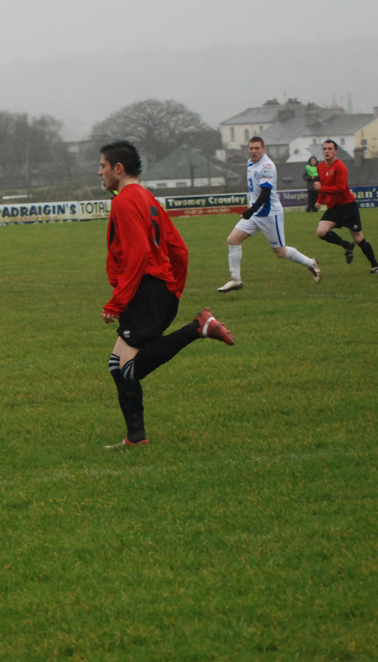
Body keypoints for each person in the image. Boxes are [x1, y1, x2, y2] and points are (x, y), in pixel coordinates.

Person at [98, 140, 234, 450]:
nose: (100, 171)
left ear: (118, 169)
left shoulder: (123, 201)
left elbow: (138, 253)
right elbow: (179, 249)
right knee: (116, 367)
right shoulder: (147, 197)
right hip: (158, 290)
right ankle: (136, 438)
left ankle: (198, 328)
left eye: (103, 166)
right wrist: (173, 288)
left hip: (146, 292)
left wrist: (117, 301)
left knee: (127, 369)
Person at [217, 137, 320, 293]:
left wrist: (250, 210)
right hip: (255, 212)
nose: (254, 151)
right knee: (233, 240)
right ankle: (235, 279)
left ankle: (310, 263)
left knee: (280, 252)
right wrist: (252, 210)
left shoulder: (267, 166)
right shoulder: (250, 162)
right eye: (251, 148)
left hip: (269, 213)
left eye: (257, 148)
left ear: (263, 149)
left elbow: (265, 193)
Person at [313, 139, 378, 274]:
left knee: (359, 238)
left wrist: (322, 189)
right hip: (334, 208)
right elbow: (323, 187)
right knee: (321, 232)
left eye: (330, 149)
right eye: (324, 149)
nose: (326, 151)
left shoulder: (340, 167)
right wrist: (320, 200)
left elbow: (341, 188)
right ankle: (346, 245)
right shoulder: (320, 167)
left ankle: (375, 265)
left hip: (347, 207)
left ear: (336, 151)